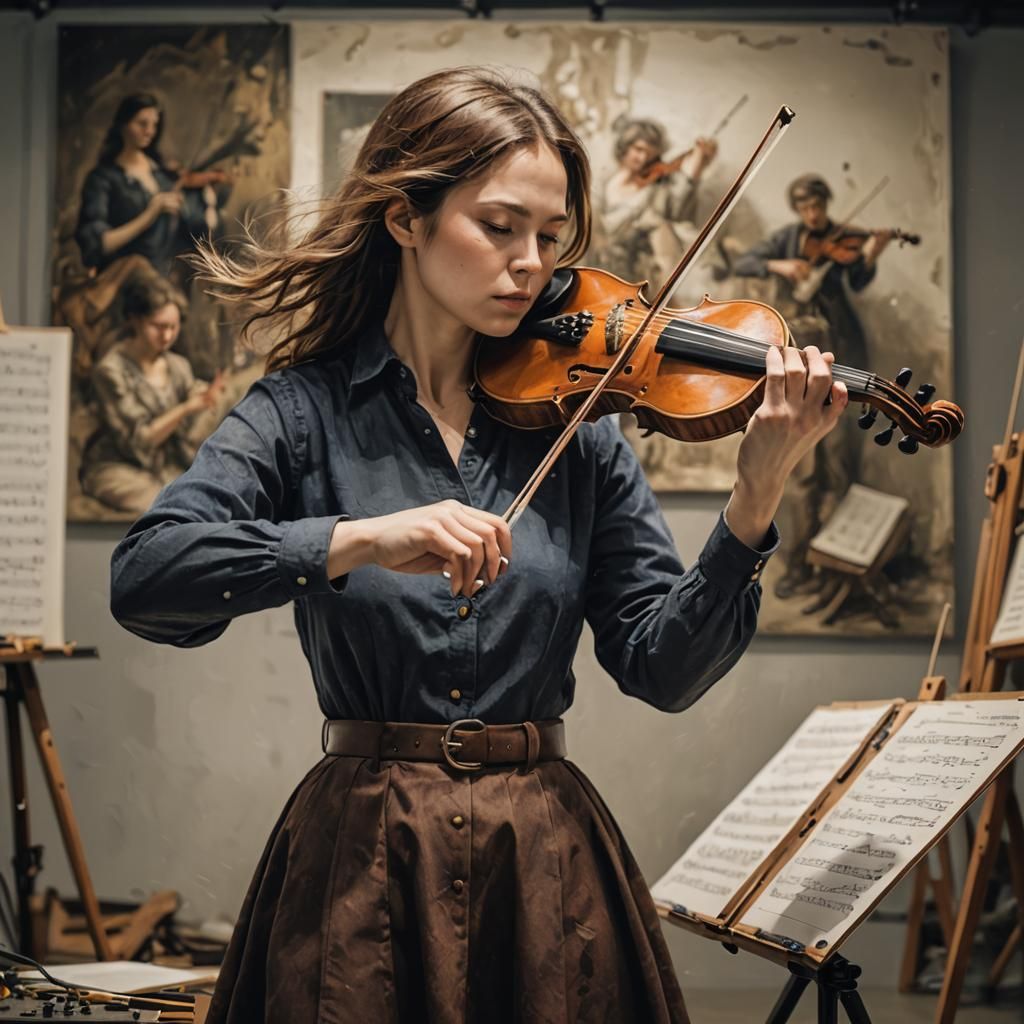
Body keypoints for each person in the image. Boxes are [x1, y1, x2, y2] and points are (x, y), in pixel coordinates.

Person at [109, 68, 847, 1023]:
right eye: (499, 227)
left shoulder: (583, 429)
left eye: (550, 237)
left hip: (541, 870)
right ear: (406, 219)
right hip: (361, 865)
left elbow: (664, 667)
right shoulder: (302, 413)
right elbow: (148, 576)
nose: (531, 263)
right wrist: (356, 537)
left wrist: (757, 494)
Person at [733, 174, 891, 599]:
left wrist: (871, 254)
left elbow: (856, 281)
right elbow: (742, 262)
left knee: (839, 468)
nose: (813, 214)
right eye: (805, 208)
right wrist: (777, 265)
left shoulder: (844, 240)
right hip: (798, 355)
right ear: (798, 209)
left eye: (818, 206)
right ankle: (801, 561)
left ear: (824, 203)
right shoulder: (786, 239)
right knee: (802, 471)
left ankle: (836, 564)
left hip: (839, 352)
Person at [80, 273, 226, 513]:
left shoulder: (178, 366)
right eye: (158, 327)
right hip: (120, 467)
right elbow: (138, 441)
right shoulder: (111, 370)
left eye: (173, 327)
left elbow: (189, 429)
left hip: (167, 466)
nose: (167, 336)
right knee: (165, 504)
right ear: (135, 321)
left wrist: (207, 399)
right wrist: (185, 408)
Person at [75, 92, 221, 278]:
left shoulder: (163, 175)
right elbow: (97, 245)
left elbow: (192, 229)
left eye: (154, 125)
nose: (150, 131)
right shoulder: (103, 179)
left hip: (167, 276)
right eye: (142, 123)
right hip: (124, 278)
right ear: (123, 125)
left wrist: (205, 201)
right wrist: (152, 212)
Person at [599, 118, 717, 284]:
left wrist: (697, 161)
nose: (642, 158)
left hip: (642, 262)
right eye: (638, 149)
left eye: (649, 154)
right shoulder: (606, 182)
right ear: (625, 146)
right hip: (610, 260)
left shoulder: (654, 187)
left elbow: (678, 205)